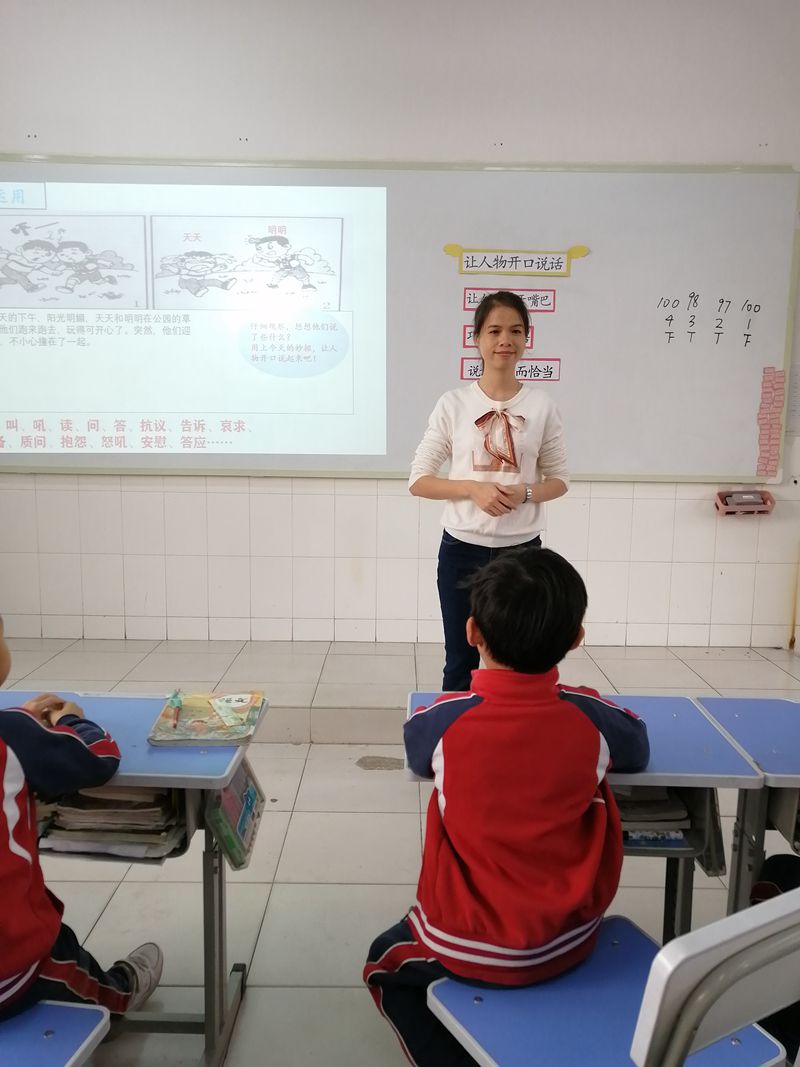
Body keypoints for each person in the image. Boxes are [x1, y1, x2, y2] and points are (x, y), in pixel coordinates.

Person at [364, 548, 650, 1067]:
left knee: (383, 965)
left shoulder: (446, 719)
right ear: (576, 639)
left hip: (463, 943)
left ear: (472, 632)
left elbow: (415, 751)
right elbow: (638, 744)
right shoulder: (590, 717)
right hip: (568, 940)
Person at [0, 614, 163, 1020]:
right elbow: (98, 759)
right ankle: (121, 994)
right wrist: (70, 720)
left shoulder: (16, 732)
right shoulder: (13, 735)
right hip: (12, 968)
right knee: (68, 962)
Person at [409, 290, 569, 691]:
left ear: (526, 339)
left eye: (515, 331)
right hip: (461, 551)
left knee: (521, 661)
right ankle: (458, 730)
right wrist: (471, 489)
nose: (505, 340)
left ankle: (515, 731)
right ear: (476, 338)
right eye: (494, 331)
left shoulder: (542, 406)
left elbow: (559, 480)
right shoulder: (453, 404)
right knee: (460, 661)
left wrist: (525, 493)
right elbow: (419, 480)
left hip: (523, 555)